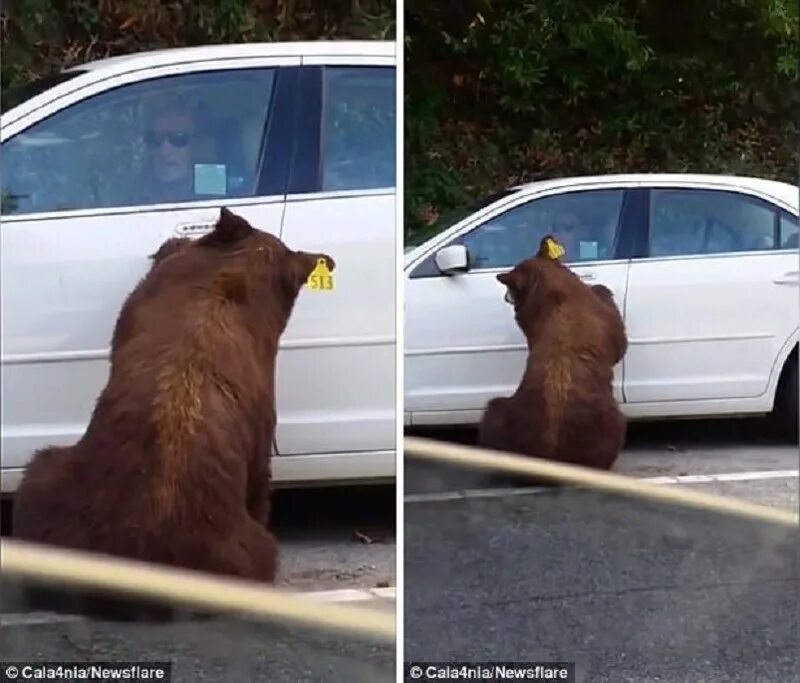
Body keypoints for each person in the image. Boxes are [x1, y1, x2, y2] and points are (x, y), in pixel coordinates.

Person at [138, 98, 199, 205]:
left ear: (195, 145)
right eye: (156, 139)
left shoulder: (222, 191)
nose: (164, 150)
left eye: (178, 138)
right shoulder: (131, 194)